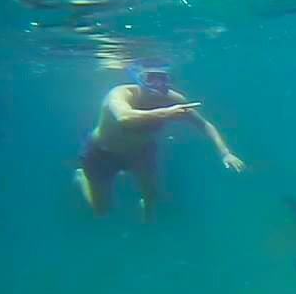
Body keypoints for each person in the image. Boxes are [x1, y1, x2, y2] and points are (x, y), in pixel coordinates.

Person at [73, 58, 245, 222]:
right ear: (138, 79)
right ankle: (82, 177)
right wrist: (166, 113)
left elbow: (204, 124)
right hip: (102, 153)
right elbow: (125, 117)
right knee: (101, 210)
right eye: (151, 78)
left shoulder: (173, 99)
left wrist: (225, 153)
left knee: (150, 195)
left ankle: (145, 227)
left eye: (163, 78)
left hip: (140, 152)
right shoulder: (121, 94)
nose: (158, 84)